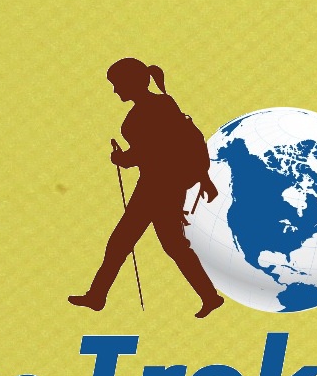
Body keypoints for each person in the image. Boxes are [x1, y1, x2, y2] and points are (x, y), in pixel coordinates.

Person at [70, 58, 225, 316]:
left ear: (130, 83)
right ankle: (209, 297)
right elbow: (171, 145)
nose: (115, 90)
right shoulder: (162, 104)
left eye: (117, 84)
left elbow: (154, 151)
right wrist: (201, 177)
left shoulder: (151, 110)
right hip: (162, 186)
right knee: (165, 244)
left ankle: (97, 296)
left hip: (158, 187)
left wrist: (122, 159)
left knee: (127, 242)